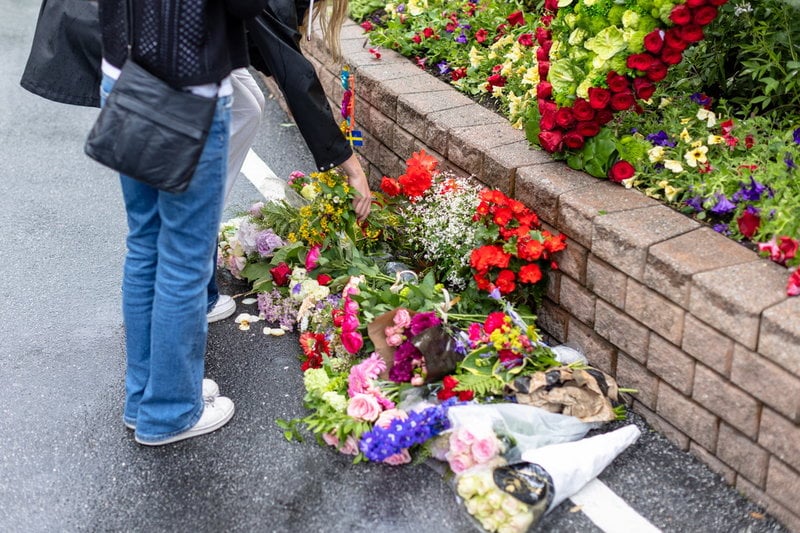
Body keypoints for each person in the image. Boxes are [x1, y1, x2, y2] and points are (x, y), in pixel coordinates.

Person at [98, 0, 268, 445]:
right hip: (187, 87)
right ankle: (171, 410)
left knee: (146, 242)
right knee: (184, 258)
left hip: (122, 72)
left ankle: (146, 399)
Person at [206, 0, 373, 322]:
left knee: (247, 105)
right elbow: (294, 75)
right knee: (204, 169)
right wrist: (352, 169)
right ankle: (197, 291)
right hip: (191, 55)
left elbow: (279, 62)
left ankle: (195, 223)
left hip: (185, 42)